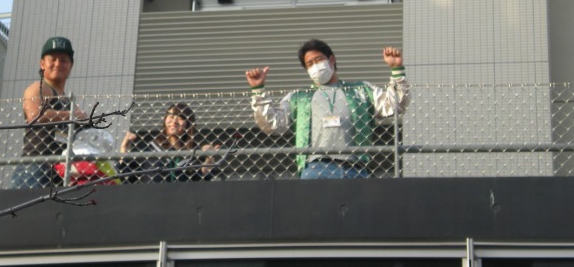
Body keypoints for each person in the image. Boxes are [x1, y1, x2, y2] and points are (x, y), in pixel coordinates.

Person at [245, 39, 410, 179]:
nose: (315, 66)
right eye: (310, 64)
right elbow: (272, 124)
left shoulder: (361, 91)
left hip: (355, 166)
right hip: (315, 167)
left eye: (318, 60)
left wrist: (397, 69)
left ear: (331, 59)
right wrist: (258, 90)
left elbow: (395, 105)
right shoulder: (299, 97)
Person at [12, 36, 88, 189]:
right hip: (35, 167)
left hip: (61, 171)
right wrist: (73, 115)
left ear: (71, 65)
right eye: (52, 59)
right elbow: (35, 115)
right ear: (42, 64)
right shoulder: (39, 88)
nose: (58, 64)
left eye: (63, 60)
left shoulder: (67, 101)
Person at [118, 102, 220, 183]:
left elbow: (202, 182)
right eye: (171, 116)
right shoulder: (149, 149)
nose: (174, 121)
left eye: (180, 118)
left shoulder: (194, 155)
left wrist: (209, 159)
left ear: (188, 124)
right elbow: (125, 178)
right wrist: (124, 150)